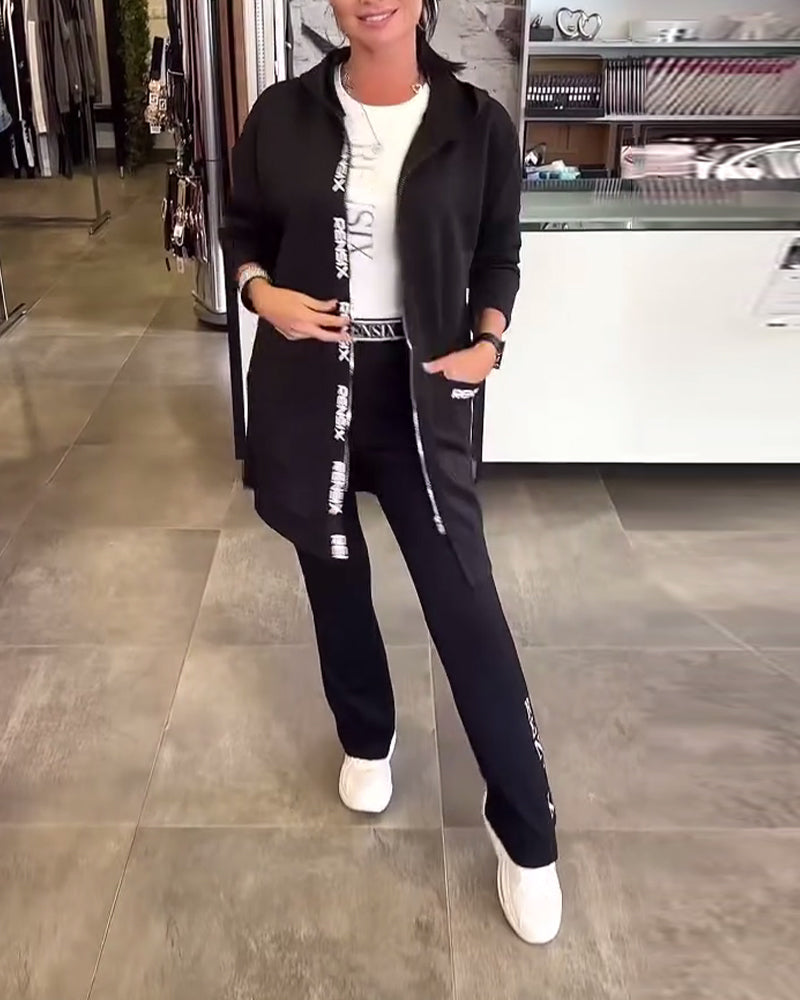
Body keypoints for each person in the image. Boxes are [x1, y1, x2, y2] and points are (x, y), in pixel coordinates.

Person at [222, 0, 561, 944]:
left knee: (466, 605)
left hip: (423, 394)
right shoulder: (283, 113)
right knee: (333, 577)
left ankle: (526, 831)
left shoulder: (475, 122)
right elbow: (241, 227)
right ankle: (366, 735)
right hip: (309, 387)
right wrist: (260, 294)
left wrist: (489, 343)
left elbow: (499, 252)